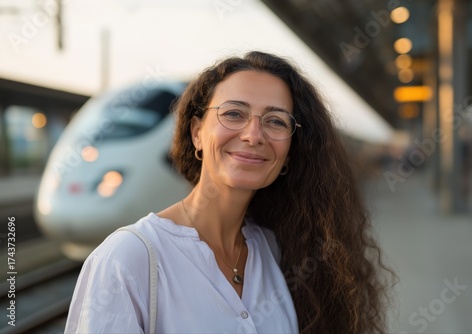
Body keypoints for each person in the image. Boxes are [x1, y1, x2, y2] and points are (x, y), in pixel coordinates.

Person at [65, 51, 393, 334]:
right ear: (196, 133)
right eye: (234, 113)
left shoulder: (278, 250)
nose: (254, 135)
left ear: (289, 152)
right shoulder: (128, 260)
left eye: (276, 121)